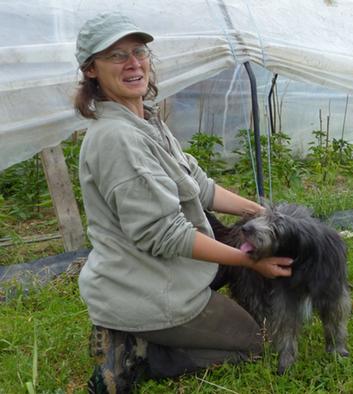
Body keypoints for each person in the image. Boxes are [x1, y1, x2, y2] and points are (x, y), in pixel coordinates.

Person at [73, 12, 293, 393]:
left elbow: (200, 186)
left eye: (138, 51)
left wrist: (261, 213)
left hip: (162, 268)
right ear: (91, 70)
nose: (133, 63)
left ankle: (143, 330)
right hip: (146, 285)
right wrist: (250, 262)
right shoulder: (117, 139)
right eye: (116, 56)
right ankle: (137, 349)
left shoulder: (146, 121)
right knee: (251, 344)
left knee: (231, 241)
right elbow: (166, 234)